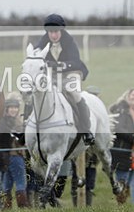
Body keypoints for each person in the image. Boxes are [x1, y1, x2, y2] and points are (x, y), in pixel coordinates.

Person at [33, 14, 94, 145]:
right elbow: (36, 57)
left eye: (55, 32)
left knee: (74, 94)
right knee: (36, 92)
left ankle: (86, 129)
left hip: (71, 72)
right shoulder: (43, 42)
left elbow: (75, 62)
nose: (53, 35)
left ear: (61, 30)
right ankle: (27, 127)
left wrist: (59, 65)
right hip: (53, 74)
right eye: (50, 32)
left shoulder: (69, 42)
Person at [109, 88, 134, 204]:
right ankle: (120, 206)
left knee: (130, 181)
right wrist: (133, 138)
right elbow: (119, 128)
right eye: (133, 95)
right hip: (122, 150)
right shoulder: (122, 110)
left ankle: (126, 204)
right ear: (127, 96)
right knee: (122, 180)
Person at [0, 95, 29, 209]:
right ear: (7, 109)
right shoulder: (14, 123)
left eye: (15, 107)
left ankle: (6, 208)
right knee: (20, 182)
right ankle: (23, 207)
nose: (14, 110)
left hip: (6, 158)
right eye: (11, 107)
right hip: (16, 157)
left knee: (7, 184)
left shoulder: (2, 122)